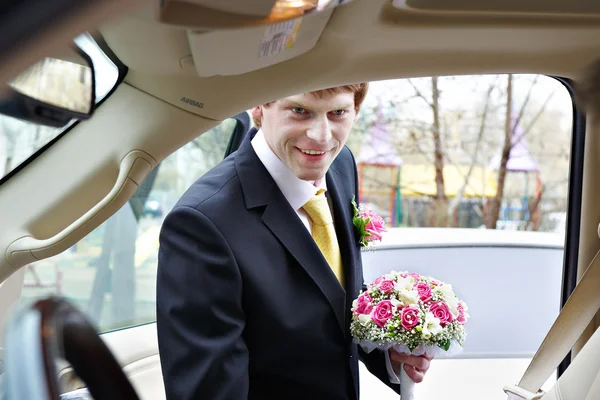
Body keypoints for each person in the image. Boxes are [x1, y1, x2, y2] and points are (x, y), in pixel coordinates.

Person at [156, 83, 432, 400]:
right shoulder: (202, 224)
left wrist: (387, 354)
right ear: (258, 105)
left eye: (338, 112)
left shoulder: (340, 166)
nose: (322, 136)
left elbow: (334, 296)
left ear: (355, 110)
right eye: (300, 110)